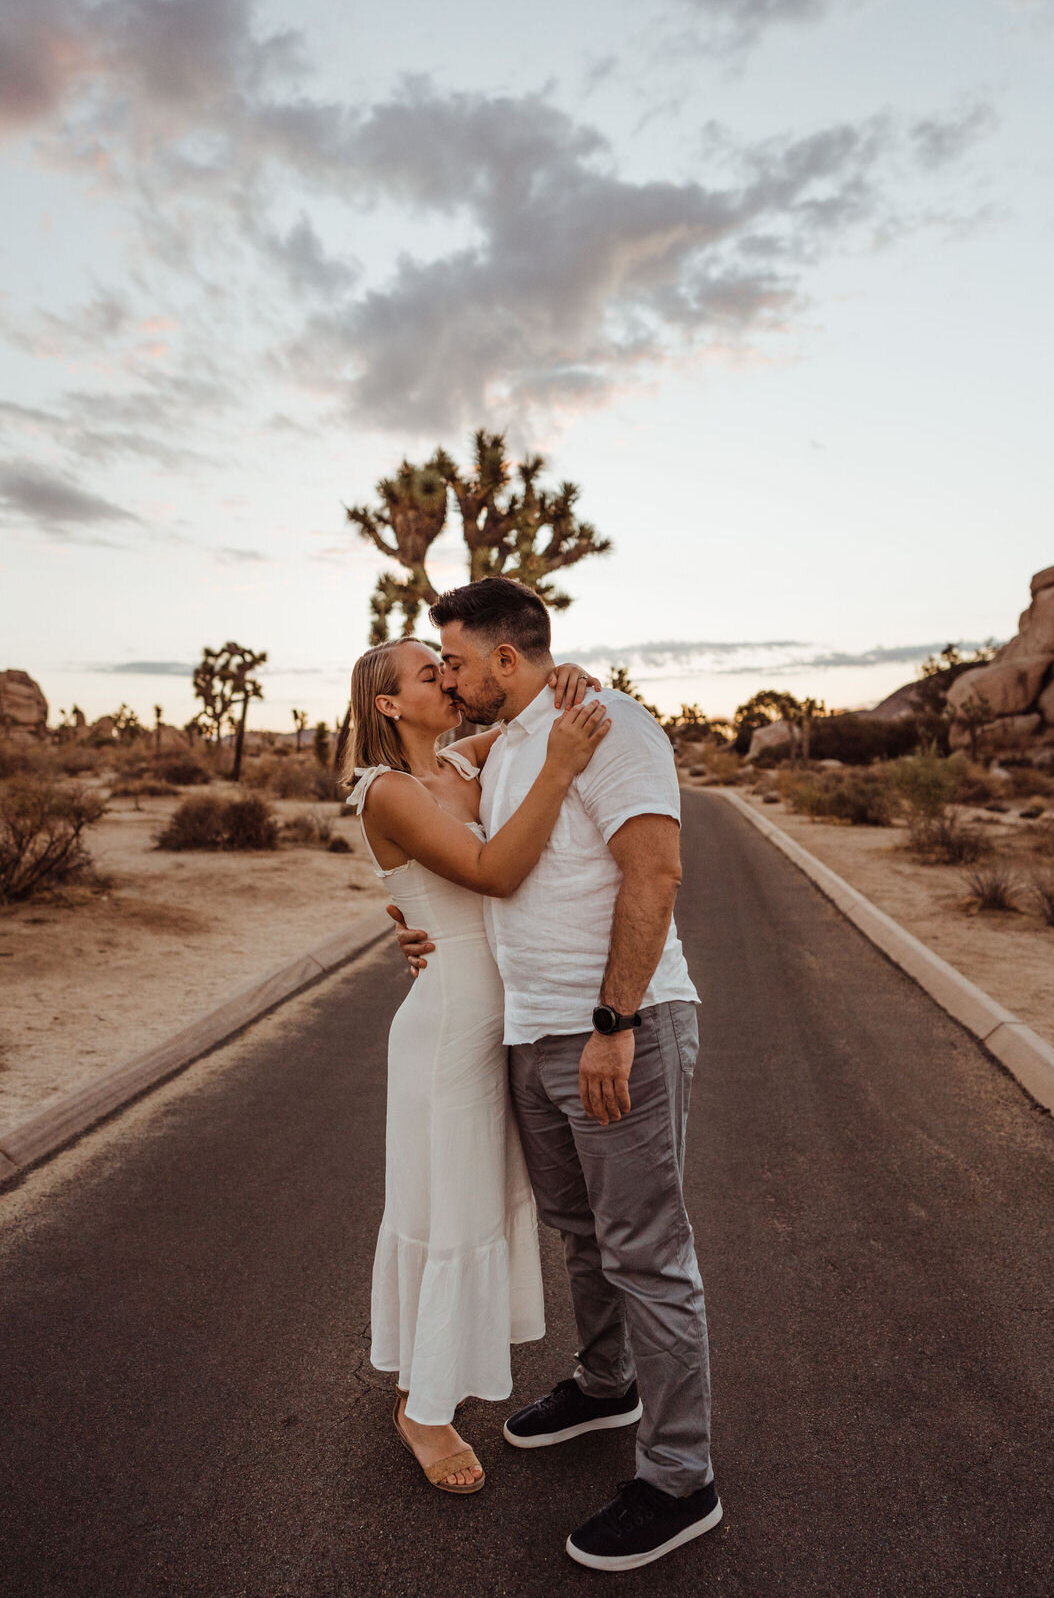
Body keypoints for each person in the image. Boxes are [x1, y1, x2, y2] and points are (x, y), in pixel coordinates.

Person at [392, 577, 721, 1570]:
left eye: (451, 659)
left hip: (614, 1026)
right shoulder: (513, 740)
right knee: (578, 1229)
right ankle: (603, 1379)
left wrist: (613, 1021)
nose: (443, 676)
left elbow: (653, 872)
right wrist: (412, 928)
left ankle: (678, 1477)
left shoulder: (607, 722)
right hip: (530, 1032)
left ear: (501, 658)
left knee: (645, 1249)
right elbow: (457, 848)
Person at [341, 634, 609, 1495]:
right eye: (430, 675)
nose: (448, 681)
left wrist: (568, 682)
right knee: (447, 1208)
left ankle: (436, 1374)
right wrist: (561, 769)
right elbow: (492, 873)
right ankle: (422, 1410)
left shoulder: (465, 763)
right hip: (450, 1023)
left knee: (484, 1204)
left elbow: (531, 710)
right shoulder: (386, 789)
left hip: (506, 1021)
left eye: (449, 667)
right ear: (388, 704)